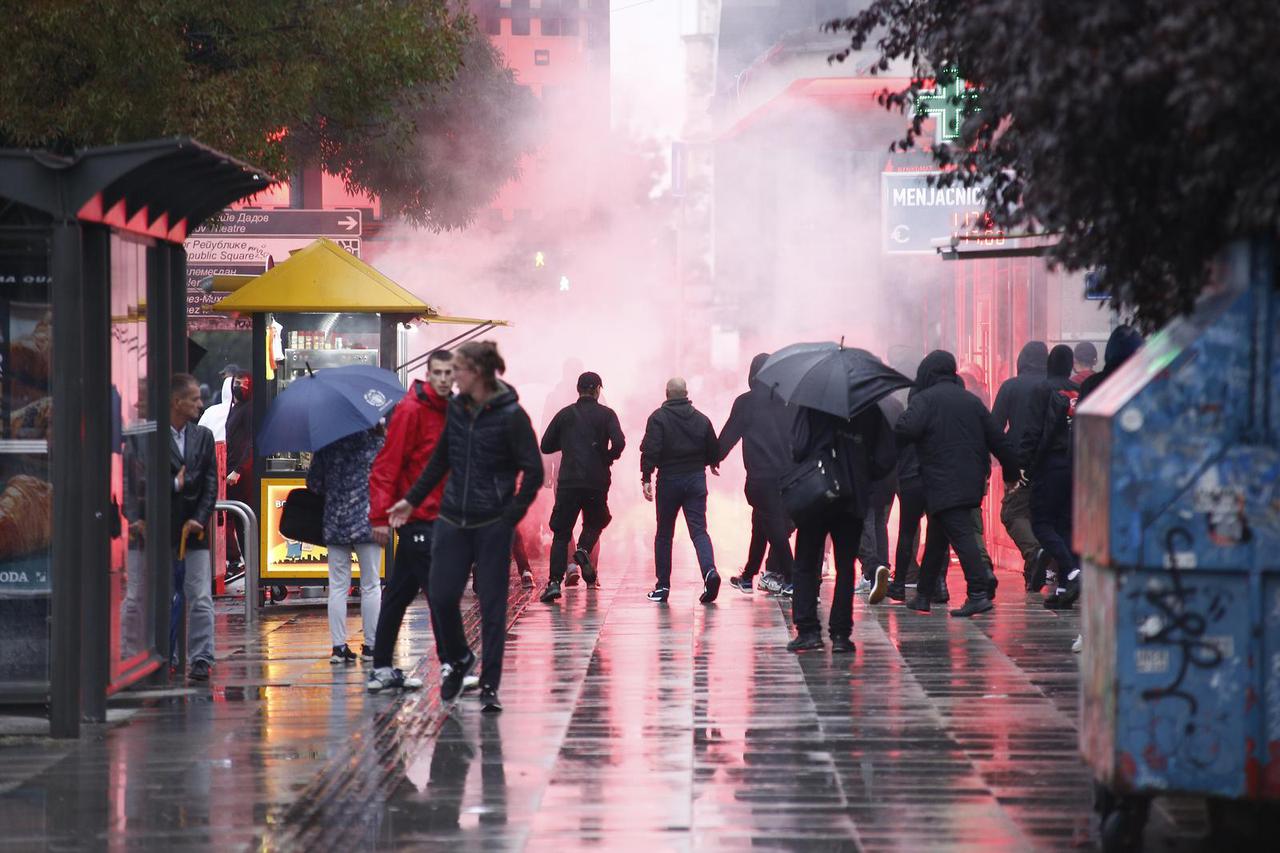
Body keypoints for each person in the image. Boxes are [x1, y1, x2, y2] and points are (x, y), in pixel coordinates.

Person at [388, 341, 543, 713]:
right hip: (452, 517)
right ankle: (459, 658)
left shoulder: (511, 415)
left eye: (457, 369)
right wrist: (411, 499)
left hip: (493, 522)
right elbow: (441, 459)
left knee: (492, 606)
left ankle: (490, 685)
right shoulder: (456, 409)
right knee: (440, 595)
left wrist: (511, 514)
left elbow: (534, 470)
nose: (452, 376)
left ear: (477, 372)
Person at [366, 350, 464, 692]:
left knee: (399, 594)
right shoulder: (410, 411)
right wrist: (380, 516)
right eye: (436, 372)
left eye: (448, 372)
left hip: (440, 517)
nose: (442, 378)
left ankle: (380, 668)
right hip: (419, 519)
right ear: (428, 373)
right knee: (441, 592)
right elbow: (386, 466)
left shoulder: (452, 411)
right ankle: (453, 662)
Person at [896, 351, 1019, 618]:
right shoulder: (971, 402)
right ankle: (924, 594)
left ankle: (977, 593)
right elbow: (999, 439)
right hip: (971, 478)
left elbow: (906, 429)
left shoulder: (924, 400)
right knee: (937, 539)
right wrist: (1011, 472)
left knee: (962, 536)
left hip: (941, 479)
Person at [787, 399, 895, 653]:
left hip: (817, 492)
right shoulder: (869, 408)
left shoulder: (813, 404)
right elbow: (886, 456)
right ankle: (840, 635)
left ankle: (808, 630)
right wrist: (863, 472)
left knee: (805, 562)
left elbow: (798, 448)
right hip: (853, 495)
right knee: (846, 567)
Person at [538, 371, 625, 603]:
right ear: (597, 389)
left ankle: (555, 582)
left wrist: (566, 443)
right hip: (596, 481)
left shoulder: (564, 415)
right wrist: (607, 457)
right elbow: (620, 442)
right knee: (597, 521)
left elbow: (545, 445)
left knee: (561, 531)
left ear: (578, 390)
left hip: (568, 481)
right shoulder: (607, 415)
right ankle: (585, 551)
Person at [717, 353, 796, 595]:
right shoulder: (789, 401)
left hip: (761, 476)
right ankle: (749, 576)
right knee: (760, 523)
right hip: (788, 474)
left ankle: (794, 579)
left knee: (773, 527)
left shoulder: (746, 402)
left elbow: (730, 434)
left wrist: (714, 457)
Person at [639, 377, 721, 604]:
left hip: (669, 481)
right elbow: (713, 449)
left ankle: (662, 587)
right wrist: (713, 463)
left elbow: (650, 449)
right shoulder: (701, 419)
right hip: (696, 479)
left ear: (666, 393)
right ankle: (710, 572)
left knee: (664, 534)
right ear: (686, 393)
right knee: (699, 531)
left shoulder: (658, 418)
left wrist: (646, 477)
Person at [307, 425, 384, 664]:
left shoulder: (326, 444)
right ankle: (371, 646)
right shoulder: (375, 443)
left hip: (335, 521)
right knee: (371, 584)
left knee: (338, 586)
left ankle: (338, 647)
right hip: (367, 521)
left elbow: (314, 485)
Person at [1021, 345, 1081, 609]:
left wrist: (1023, 463)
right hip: (1076, 465)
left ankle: (1072, 572)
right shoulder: (1077, 390)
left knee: (1042, 523)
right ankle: (1065, 590)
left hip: (1050, 464)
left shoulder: (1043, 390)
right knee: (1066, 525)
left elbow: (1033, 429)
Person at [169, 374, 218, 682]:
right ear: (177, 402)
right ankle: (168, 653)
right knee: (166, 596)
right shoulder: (153, 435)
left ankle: (201, 657)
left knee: (200, 596)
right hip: (163, 530)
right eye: (195, 399)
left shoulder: (203, 437)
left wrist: (200, 517)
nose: (200, 404)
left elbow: (211, 483)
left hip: (195, 531)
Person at [991, 341, 1049, 590]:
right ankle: (1035, 572)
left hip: (1019, 464)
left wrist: (1003, 457)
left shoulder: (1011, 387)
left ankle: (1034, 552)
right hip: (1050, 462)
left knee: (1013, 513)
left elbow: (994, 427)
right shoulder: (1053, 387)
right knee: (1041, 515)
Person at [223, 371, 252, 571]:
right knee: (238, 524)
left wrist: (239, 470)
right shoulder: (237, 408)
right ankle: (248, 566)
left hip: (243, 477)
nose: (239, 387)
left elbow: (253, 441)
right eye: (237, 383)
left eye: (243, 383)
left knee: (244, 523)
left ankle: (252, 567)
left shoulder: (250, 409)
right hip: (233, 472)